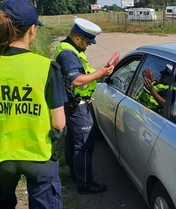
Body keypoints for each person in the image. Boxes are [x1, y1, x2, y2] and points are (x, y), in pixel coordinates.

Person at [0, 0, 67, 208]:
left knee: (2, 203)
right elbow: (58, 123)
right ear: (32, 29)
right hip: (38, 154)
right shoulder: (45, 68)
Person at [54, 18, 114, 194]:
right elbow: (76, 79)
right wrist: (101, 73)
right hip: (76, 107)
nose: (88, 45)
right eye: (87, 41)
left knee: (73, 141)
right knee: (85, 145)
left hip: (73, 102)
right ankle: (85, 184)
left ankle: (75, 174)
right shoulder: (68, 54)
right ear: (78, 37)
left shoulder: (68, 49)